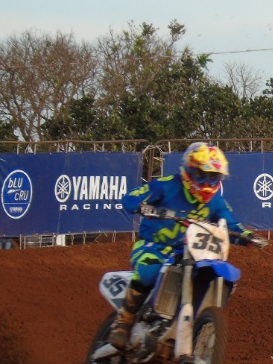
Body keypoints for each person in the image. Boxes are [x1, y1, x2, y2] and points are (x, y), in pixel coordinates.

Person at [109, 142, 265, 349]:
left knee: (203, 276)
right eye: (202, 175)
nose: (208, 182)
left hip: (189, 252)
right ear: (190, 171)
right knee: (148, 272)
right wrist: (142, 206)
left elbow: (230, 224)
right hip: (153, 246)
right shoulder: (166, 185)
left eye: (213, 177)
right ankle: (123, 323)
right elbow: (131, 198)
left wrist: (247, 236)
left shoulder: (215, 201)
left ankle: (191, 322)